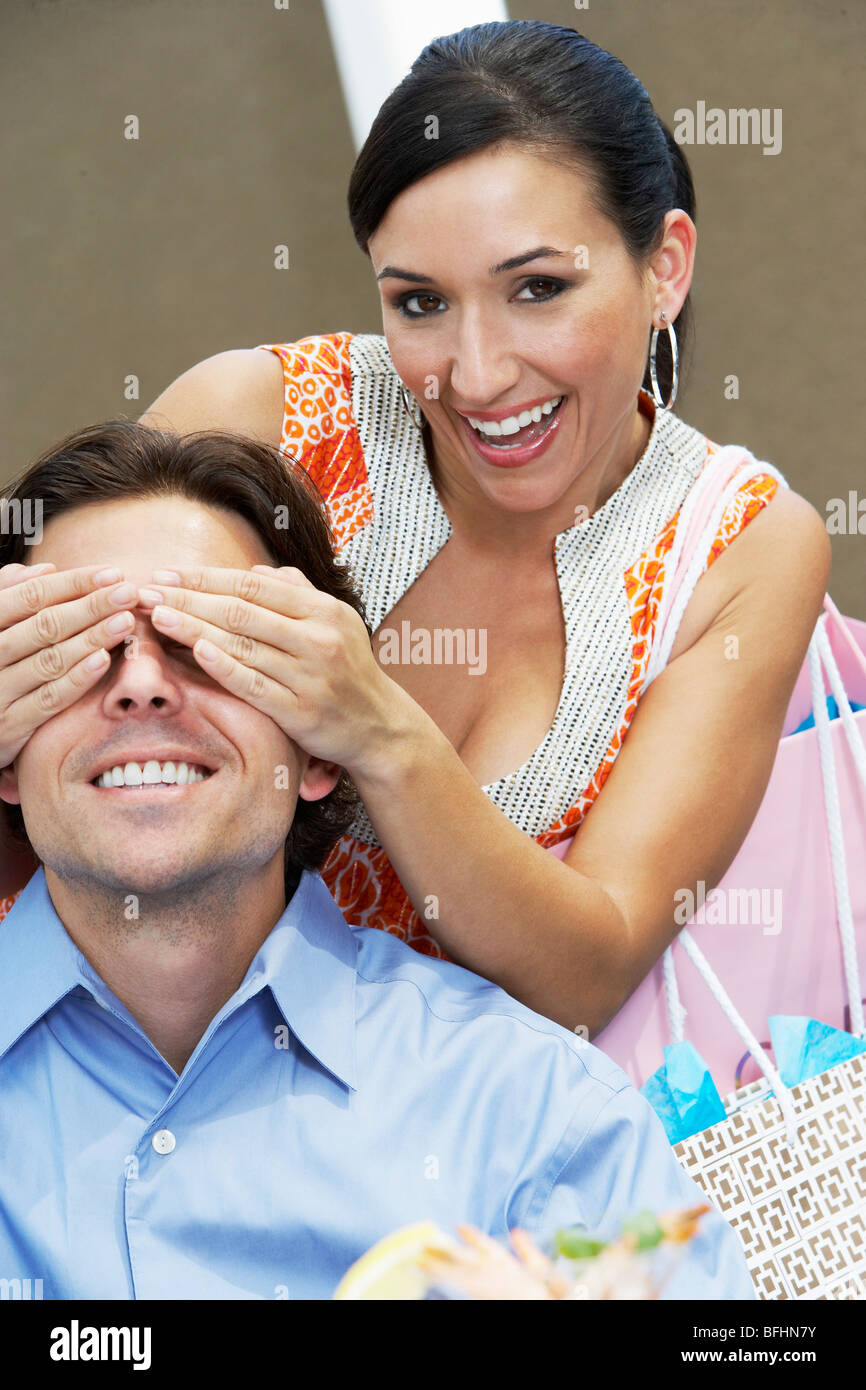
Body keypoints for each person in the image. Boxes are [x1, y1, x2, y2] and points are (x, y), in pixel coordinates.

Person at [10, 22, 831, 1042]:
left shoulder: (741, 546)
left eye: (538, 288)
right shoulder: (264, 421)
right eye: (420, 302)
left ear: (664, 265)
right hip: (98, 1054)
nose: (477, 375)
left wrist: (376, 730)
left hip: (458, 1127)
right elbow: (51, 785)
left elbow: (588, 971)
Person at [0, 421, 754, 1300]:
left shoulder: (539, 1118)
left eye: (211, 642)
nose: (140, 685)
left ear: (321, 748)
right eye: (71, 649)